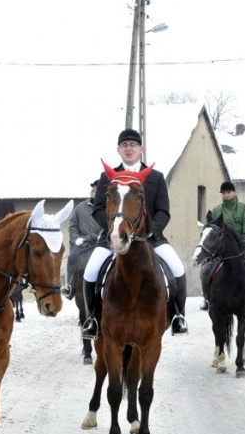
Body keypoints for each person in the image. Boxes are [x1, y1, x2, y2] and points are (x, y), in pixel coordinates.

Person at [80, 128, 188, 338]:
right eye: (124, 145)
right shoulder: (107, 176)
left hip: (150, 239)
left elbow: (164, 211)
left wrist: (149, 232)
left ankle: (177, 316)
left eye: (133, 145)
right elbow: (98, 208)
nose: (128, 149)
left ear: (141, 149)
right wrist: (113, 229)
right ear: (118, 150)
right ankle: (92, 318)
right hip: (114, 237)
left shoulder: (156, 178)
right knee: (90, 271)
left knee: (178, 268)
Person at [199, 181, 245, 310]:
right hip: (221, 249)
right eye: (223, 193)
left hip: (241, 246)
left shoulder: (243, 209)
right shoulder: (216, 211)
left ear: (234, 193)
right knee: (204, 271)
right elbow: (209, 228)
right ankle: (207, 298)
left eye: (228, 192)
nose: (226, 195)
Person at [62, 181, 101, 300]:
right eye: (93, 188)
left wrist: (103, 236)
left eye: (97, 188)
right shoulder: (80, 208)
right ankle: (70, 286)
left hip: (101, 243)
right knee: (72, 257)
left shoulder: (107, 207)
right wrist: (76, 238)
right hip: (83, 244)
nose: (94, 190)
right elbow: (73, 225)